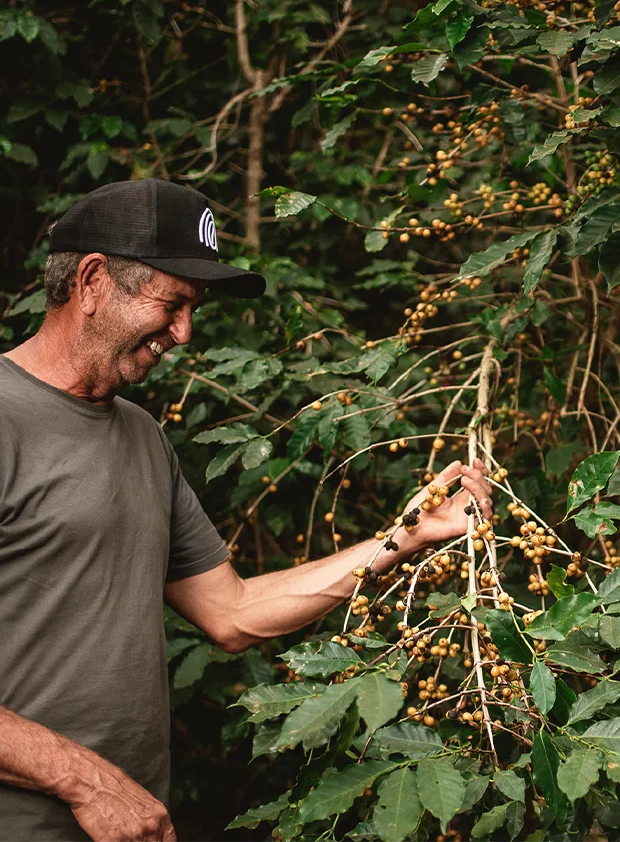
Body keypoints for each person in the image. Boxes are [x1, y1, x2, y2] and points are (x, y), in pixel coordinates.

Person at [0, 179, 492, 842]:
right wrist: (88, 785)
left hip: (134, 826)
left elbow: (232, 613)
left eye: (192, 309)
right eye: (172, 303)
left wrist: (407, 536)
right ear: (91, 281)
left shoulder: (143, 436)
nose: (183, 332)